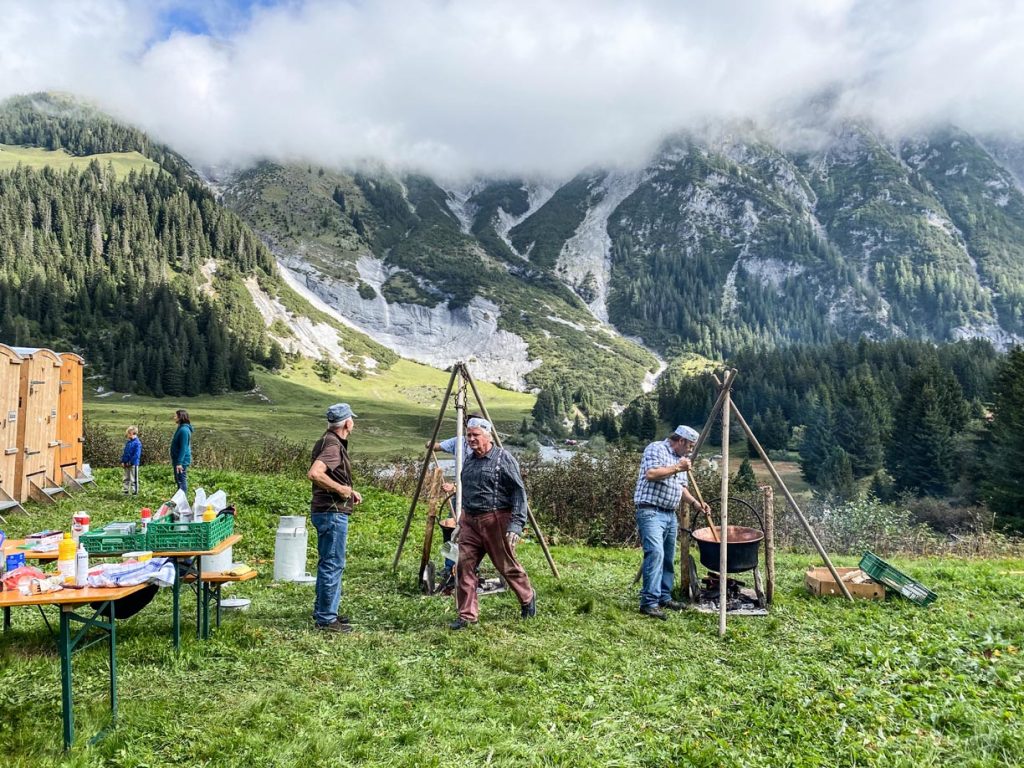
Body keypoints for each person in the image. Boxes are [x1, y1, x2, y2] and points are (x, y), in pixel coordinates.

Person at [448, 417, 536, 630]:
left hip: (496, 520)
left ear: (488, 435)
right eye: (468, 435)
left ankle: (527, 597)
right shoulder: (469, 460)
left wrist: (516, 524)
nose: (471, 439)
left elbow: (518, 492)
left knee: (506, 565)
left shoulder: (503, 459)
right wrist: (461, 519)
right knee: (463, 566)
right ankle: (467, 615)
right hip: (470, 521)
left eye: (475, 435)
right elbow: (467, 489)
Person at [633, 425, 710, 620]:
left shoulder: (681, 460)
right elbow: (651, 474)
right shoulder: (656, 448)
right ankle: (649, 603)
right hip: (650, 510)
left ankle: (664, 597)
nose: (691, 450)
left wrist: (695, 503)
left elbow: (681, 488)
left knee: (668, 556)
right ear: (681, 441)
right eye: (690, 446)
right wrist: (678, 468)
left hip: (669, 514)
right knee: (655, 553)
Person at [307, 403, 362, 633]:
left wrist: (349, 490)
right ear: (347, 423)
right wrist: (341, 490)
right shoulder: (333, 445)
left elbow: (327, 474)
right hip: (332, 513)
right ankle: (327, 619)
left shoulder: (326, 440)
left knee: (327, 562)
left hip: (326, 510)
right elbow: (315, 473)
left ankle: (325, 610)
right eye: (352, 420)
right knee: (333, 563)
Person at [170, 410, 192, 494]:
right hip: (178, 460)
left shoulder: (184, 430)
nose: (174, 417)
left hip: (181, 461)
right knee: (178, 480)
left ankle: (182, 502)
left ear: (180, 417)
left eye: (175, 416)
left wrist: (179, 463)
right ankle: (179, 501)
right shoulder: (181, 428)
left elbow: (183, 448)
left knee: (181, 481)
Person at [121, 425, 142, 495]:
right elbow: (125, 453)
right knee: (126, 478)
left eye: (128, 434)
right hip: (126, 463)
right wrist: (123, 461)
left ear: (132, 433)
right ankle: (125, 491)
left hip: (133, 464)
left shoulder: (137, 443)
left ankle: (134, 492)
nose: (127, 436)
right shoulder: (128, 443)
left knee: (133, 479)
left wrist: (131, 462)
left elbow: (136, 455)